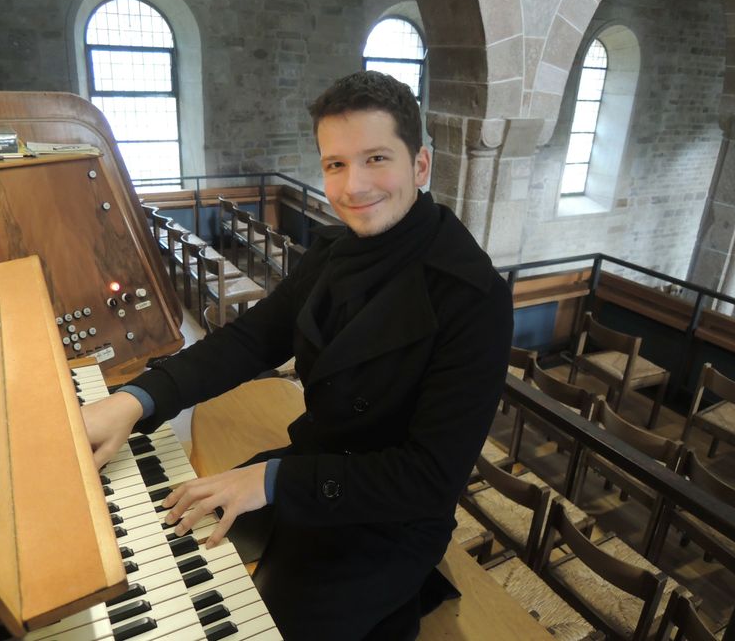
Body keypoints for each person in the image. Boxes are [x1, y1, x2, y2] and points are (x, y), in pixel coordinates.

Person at [84, 70, 513, 640]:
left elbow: (427, 478)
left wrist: (272, 482)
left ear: (421, 165)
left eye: (376, 159)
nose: (353, 186)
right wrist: (138, 398)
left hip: (388, 521)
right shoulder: (335, 249)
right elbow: (252, 338)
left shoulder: (473, 295)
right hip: (307, 467)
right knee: (158, 541)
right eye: (335, 164)